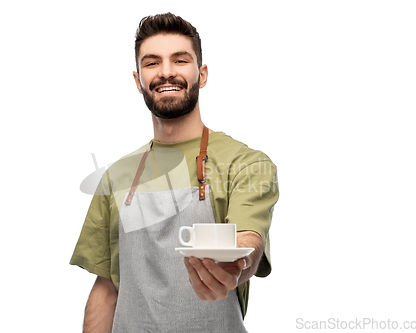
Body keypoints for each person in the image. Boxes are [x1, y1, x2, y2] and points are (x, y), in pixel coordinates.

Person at [70, 12, 279, 333]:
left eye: (180, 60)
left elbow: (250, 239)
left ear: (202, 74)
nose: (166, 72)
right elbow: (107, 287)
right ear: (138, 80)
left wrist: (234, 266)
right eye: (152, 63)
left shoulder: (246, 162)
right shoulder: (117, 175)